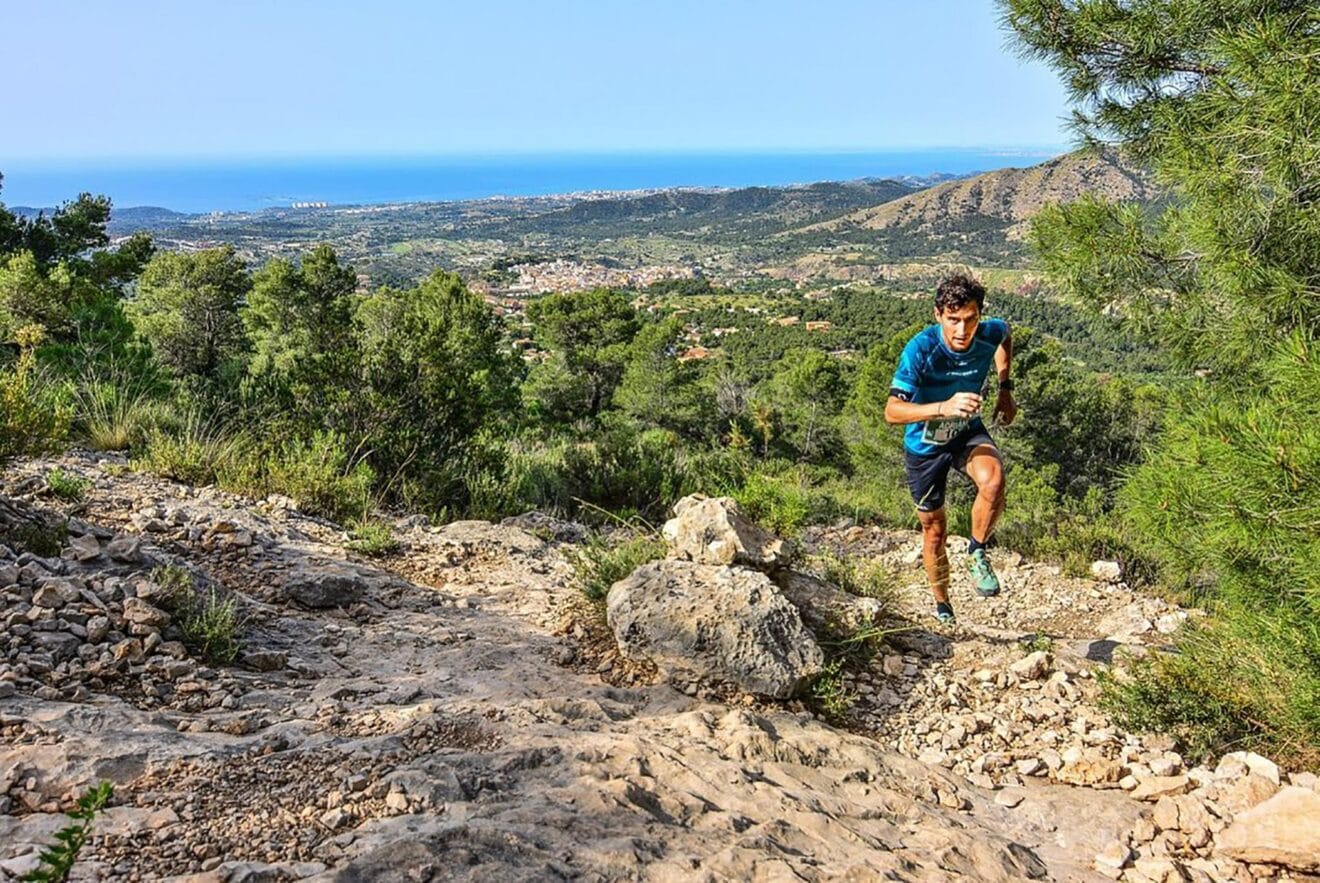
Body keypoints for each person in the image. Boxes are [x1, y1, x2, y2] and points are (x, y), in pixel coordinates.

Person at [884, 274, 1016, 624]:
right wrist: (943, 406)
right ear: (938, 315)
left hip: (965, 433)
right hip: (924, 446)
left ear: (979, 315)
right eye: (953, 319)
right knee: (935, 530)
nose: (962, 330)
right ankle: (942, 603)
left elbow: (1005, 335)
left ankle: (977, 551)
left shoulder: (989, 332)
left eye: (970, 319)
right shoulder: (921, 349)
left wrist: (1005, 388)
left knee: (994, 479)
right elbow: (892, 411)